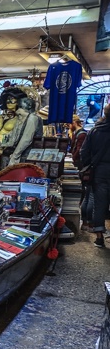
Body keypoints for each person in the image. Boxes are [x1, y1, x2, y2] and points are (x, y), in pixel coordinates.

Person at [81, 104, 110, 247]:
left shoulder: (95, 131)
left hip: (99, 171)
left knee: (99, 204)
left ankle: (99, 238)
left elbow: (84, 151)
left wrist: (89, 165)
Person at [1, 96, 42, 167]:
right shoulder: (21, 117)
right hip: (15, 152)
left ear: (28, 107)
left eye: (20, 107)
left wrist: (15, 156)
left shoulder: (32, 118)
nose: (18, 110)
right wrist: (3, 144)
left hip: (26, 154)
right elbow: (12, 134)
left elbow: (26, 139)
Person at [70, 114, 93, 230]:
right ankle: (87, 222)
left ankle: (87, 222)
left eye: (70, 123)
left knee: (87, 194)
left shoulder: (82, 134)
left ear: (74, 123)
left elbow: (79, 150)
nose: (69, 126)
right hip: (79, 165)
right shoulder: (77, 133)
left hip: (80, 165)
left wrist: (72, 160)